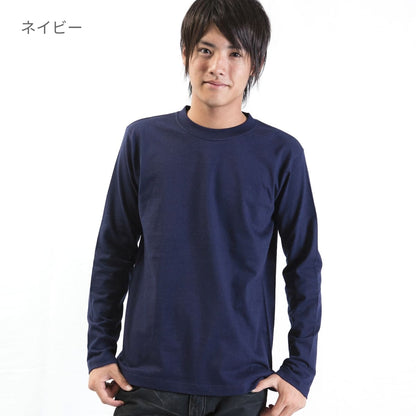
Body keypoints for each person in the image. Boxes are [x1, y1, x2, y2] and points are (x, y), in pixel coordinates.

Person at [87, 0, 322, 415]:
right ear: (185, 54)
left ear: (255, 64)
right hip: (145, 381)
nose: (217, 66)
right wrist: (99, 351)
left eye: (235, 53)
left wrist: (300, 370)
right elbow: (114, 251)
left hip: (240, 384)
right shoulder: (144, 140)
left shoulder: (281, 154)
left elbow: (303, 264)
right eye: (206, 50)